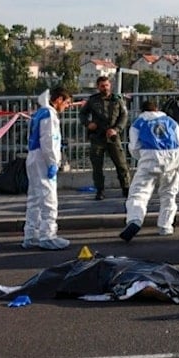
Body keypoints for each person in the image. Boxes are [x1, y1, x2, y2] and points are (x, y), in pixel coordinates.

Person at [120, 100, 179, 241]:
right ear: (157, 108)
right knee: (169, 193)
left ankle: (135, 220)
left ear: (142, 110)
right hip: (172, 156)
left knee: (138, 193)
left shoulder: (138, 123)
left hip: (150, 157)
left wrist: (142, 157)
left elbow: (134, 147)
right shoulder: (170, 121)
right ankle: (166, 226)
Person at [22, 87, 72, 251]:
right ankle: (48, 236)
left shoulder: (39, 113)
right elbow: (49, 140)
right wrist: (53, 162)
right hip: (43, 160)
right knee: (49, 199)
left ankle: (31, 235)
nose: (67, 106)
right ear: (58, 100)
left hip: (33, 156)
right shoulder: (50, 115)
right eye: (66, 102)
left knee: (35, 199)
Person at [78, 75, 131, 200]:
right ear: (98, 87)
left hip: (112, 136)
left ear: (110, 85)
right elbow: (82, 114)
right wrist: (88, 124)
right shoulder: (93, 100)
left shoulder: (117, 100)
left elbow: (124, 116)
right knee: (97, 166)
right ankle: (100, 190)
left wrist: (116, 129)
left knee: (121, 164)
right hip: (97, 136)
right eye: (102, 86)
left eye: (107, 85)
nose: (105, 88)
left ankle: (126, 188)